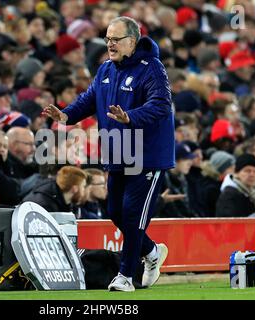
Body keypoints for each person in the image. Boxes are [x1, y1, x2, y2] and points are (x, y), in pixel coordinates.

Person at [43, 17, 173, 292]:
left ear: (133, 41)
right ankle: (151, 253)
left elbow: (161, 105)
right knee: (115, 211)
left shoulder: (152, 68)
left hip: (147, 154)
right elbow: (89, 99)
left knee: (133, 213)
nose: (110, 44)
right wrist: (66, 114)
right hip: (118, 151)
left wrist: (130, 117)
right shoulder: (105, 69)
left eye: (116, 39)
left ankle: (125, 276)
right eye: (107, 39)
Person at [22, 165, 87, 212]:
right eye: (83, 187)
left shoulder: (63, 201)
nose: (84, 191)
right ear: (74, 188)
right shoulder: (45, 205)